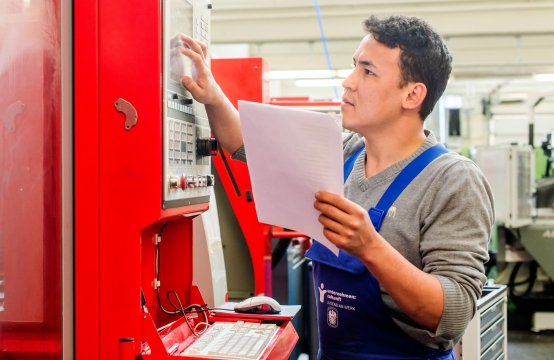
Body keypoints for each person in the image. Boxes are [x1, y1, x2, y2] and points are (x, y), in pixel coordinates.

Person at [177, 14, 494, 360]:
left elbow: (453, 315)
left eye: (368, 72)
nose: (348, 81)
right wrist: (212, 94)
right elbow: (243, 141)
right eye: (353, 66)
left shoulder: (453, 180)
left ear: (413, 94)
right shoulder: (342, 153)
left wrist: (371, 247)